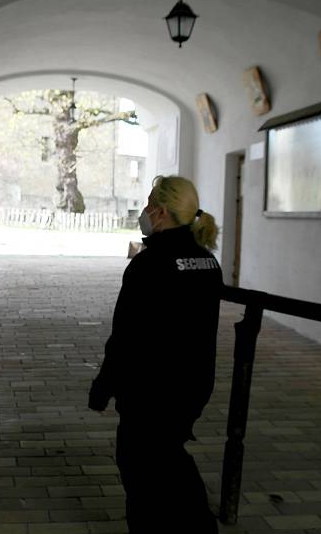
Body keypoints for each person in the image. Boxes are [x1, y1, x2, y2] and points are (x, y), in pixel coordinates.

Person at [89, 175, 222, 533]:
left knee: (142, 470)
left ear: (161, 213)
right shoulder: (207, 262)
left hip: (151, 393)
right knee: (168, 456)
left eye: (149, 205)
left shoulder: (149, 266)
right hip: (193, 387)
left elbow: (125, 339)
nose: (144, 211)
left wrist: (103, 387)